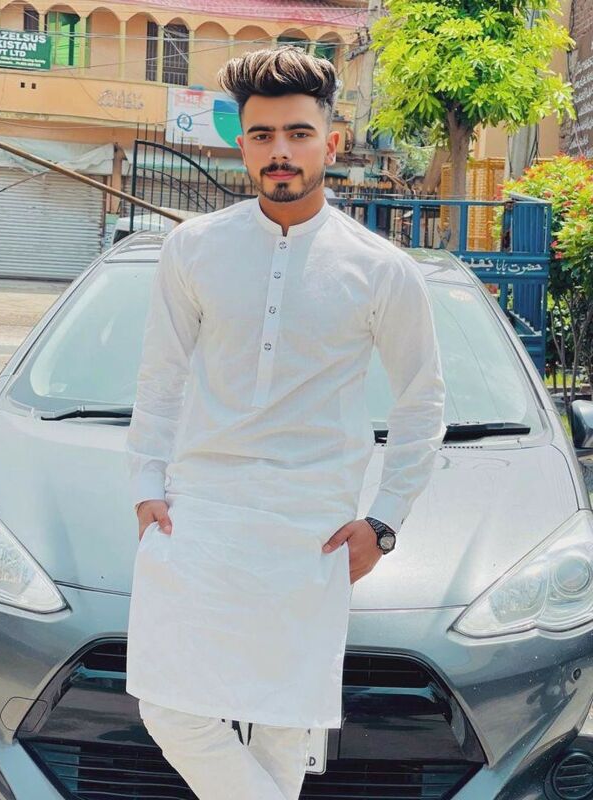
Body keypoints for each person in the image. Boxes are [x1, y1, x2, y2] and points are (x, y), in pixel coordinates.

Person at [125, 45, 446, 800]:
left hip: (312, 530)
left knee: (280, 732)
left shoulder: (382, 268)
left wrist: (385, 521)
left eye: (299, 133)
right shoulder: (193, 249)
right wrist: (145, 485)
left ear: (330, 143)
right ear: (241, 145)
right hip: (201, 516)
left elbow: (422, 401)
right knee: (171, 710)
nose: (281, 151)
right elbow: (160, 378)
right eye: (263, 135)